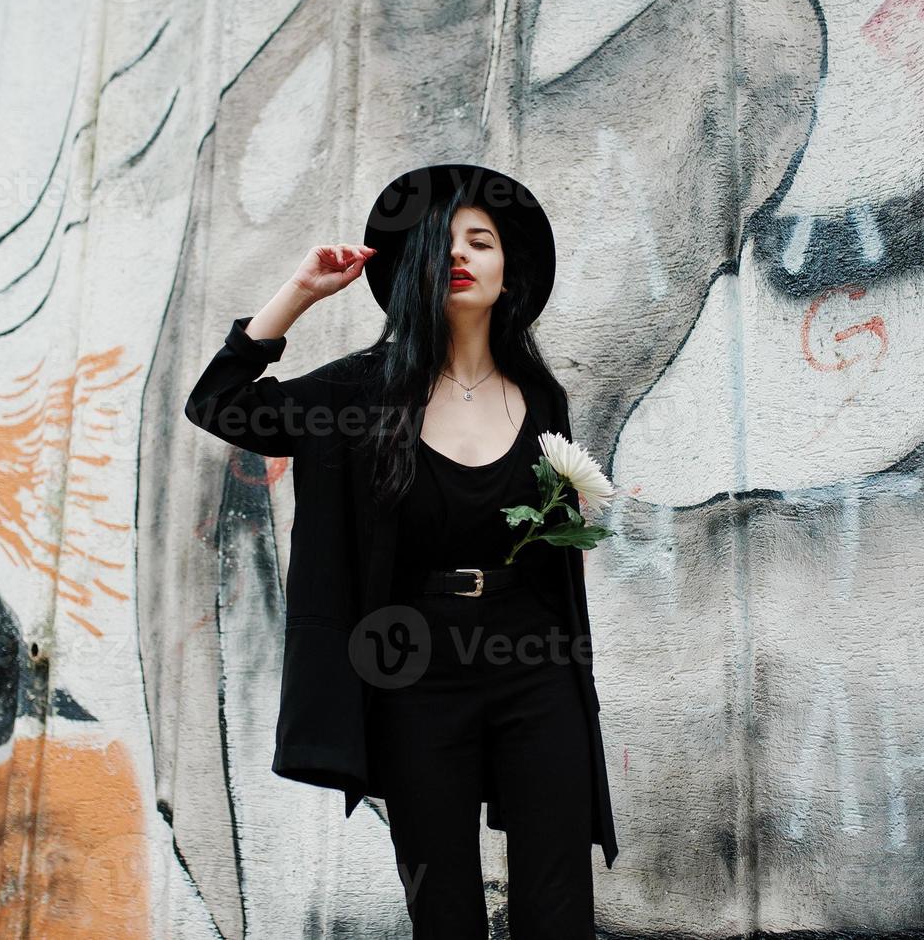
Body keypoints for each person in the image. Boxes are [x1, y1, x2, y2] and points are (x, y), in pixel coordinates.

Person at [185, 164, 612, 938]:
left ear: (506, 270)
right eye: (438, 243)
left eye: (478, 240)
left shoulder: (542, 396)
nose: (459, 254)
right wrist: (299, 293)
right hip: (414, 670)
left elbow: (554, 539)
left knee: (558, 903)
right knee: (442, 904)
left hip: (533, 663)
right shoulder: (360, 393)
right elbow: (220, 404)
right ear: (413, 270)